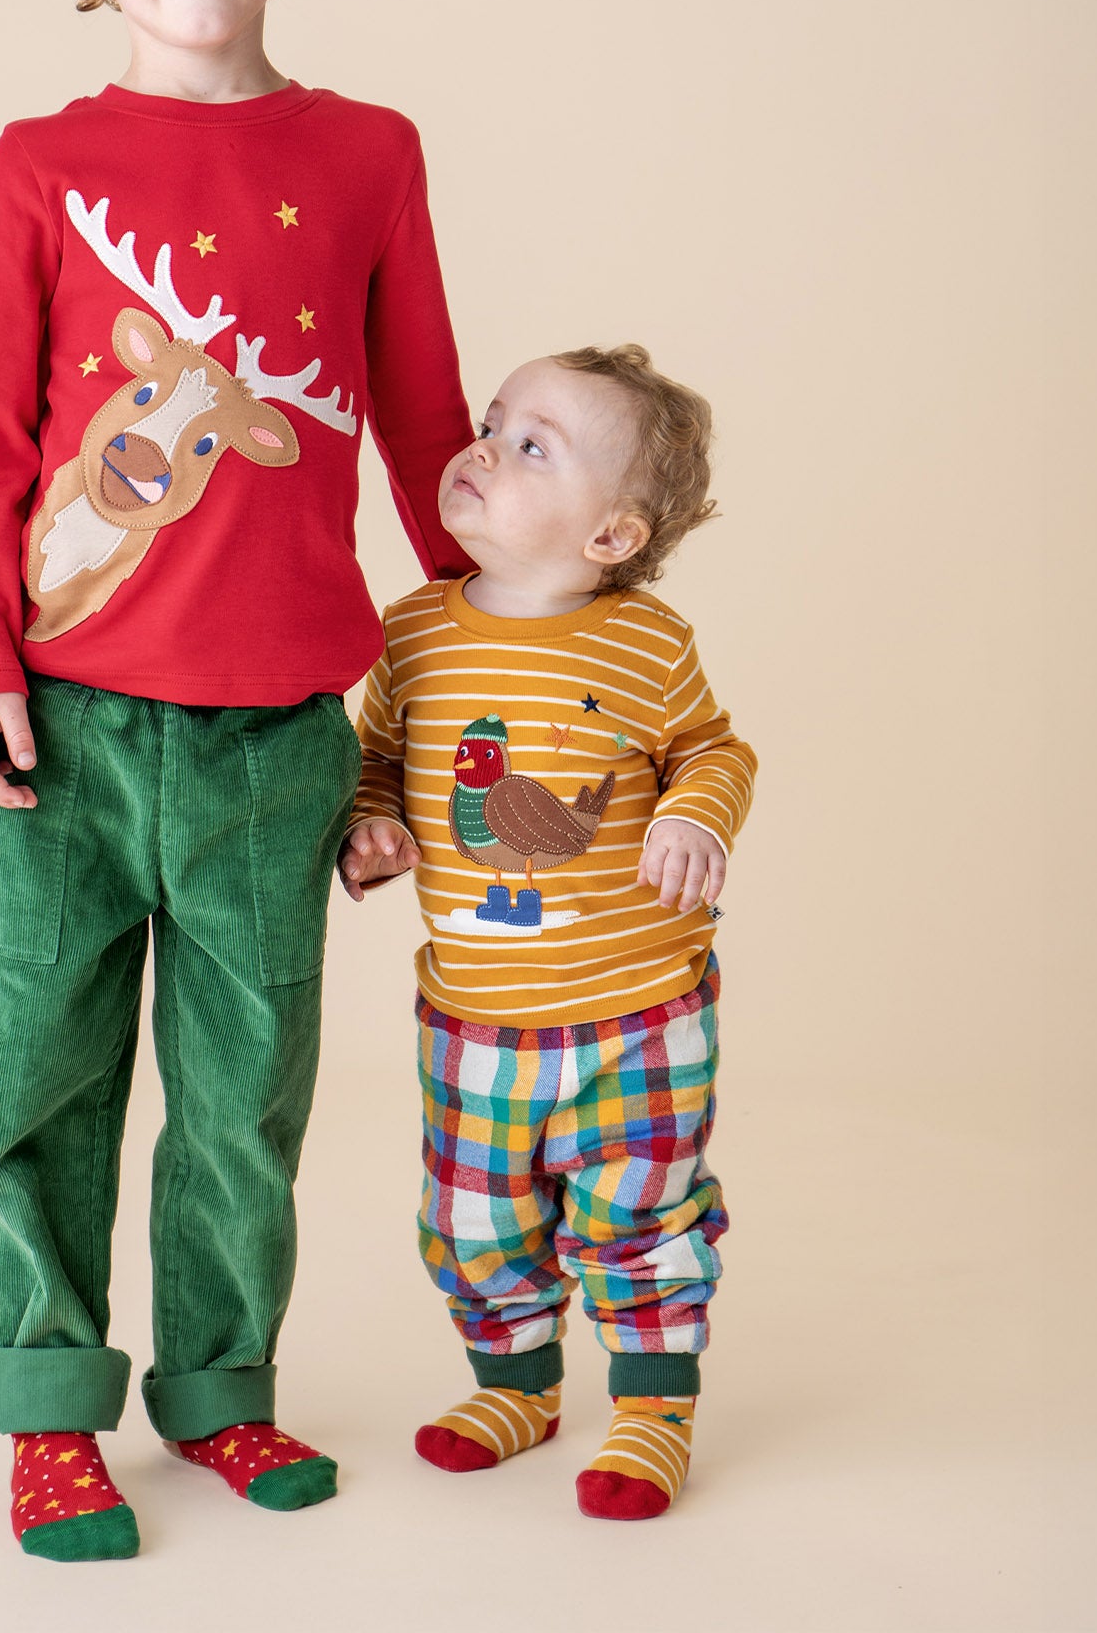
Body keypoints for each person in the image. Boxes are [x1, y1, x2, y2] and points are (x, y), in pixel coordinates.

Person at [0, 0, 472, 1561]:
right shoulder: (35, 163)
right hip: (63, 728)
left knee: (244, 1097)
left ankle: (223, 1393)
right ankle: (50, 1402)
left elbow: (424, 432)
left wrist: (501, 641)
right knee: (42, 1074)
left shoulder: (375, 153)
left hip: (274, 735)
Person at [339, 345, 756, 1519]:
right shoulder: (412, 631)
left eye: (532, 446)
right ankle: (516, 1384)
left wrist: (692, 813)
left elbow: (714, 748)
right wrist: (371, 826)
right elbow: (373, 759)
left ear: (611, 536)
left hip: (638, 1010)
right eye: (490, 421)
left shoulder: (642, 643)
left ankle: (650, 1408)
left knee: (641, 1212)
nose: (481, 447)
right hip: (475, 1020)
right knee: (474, 1218)